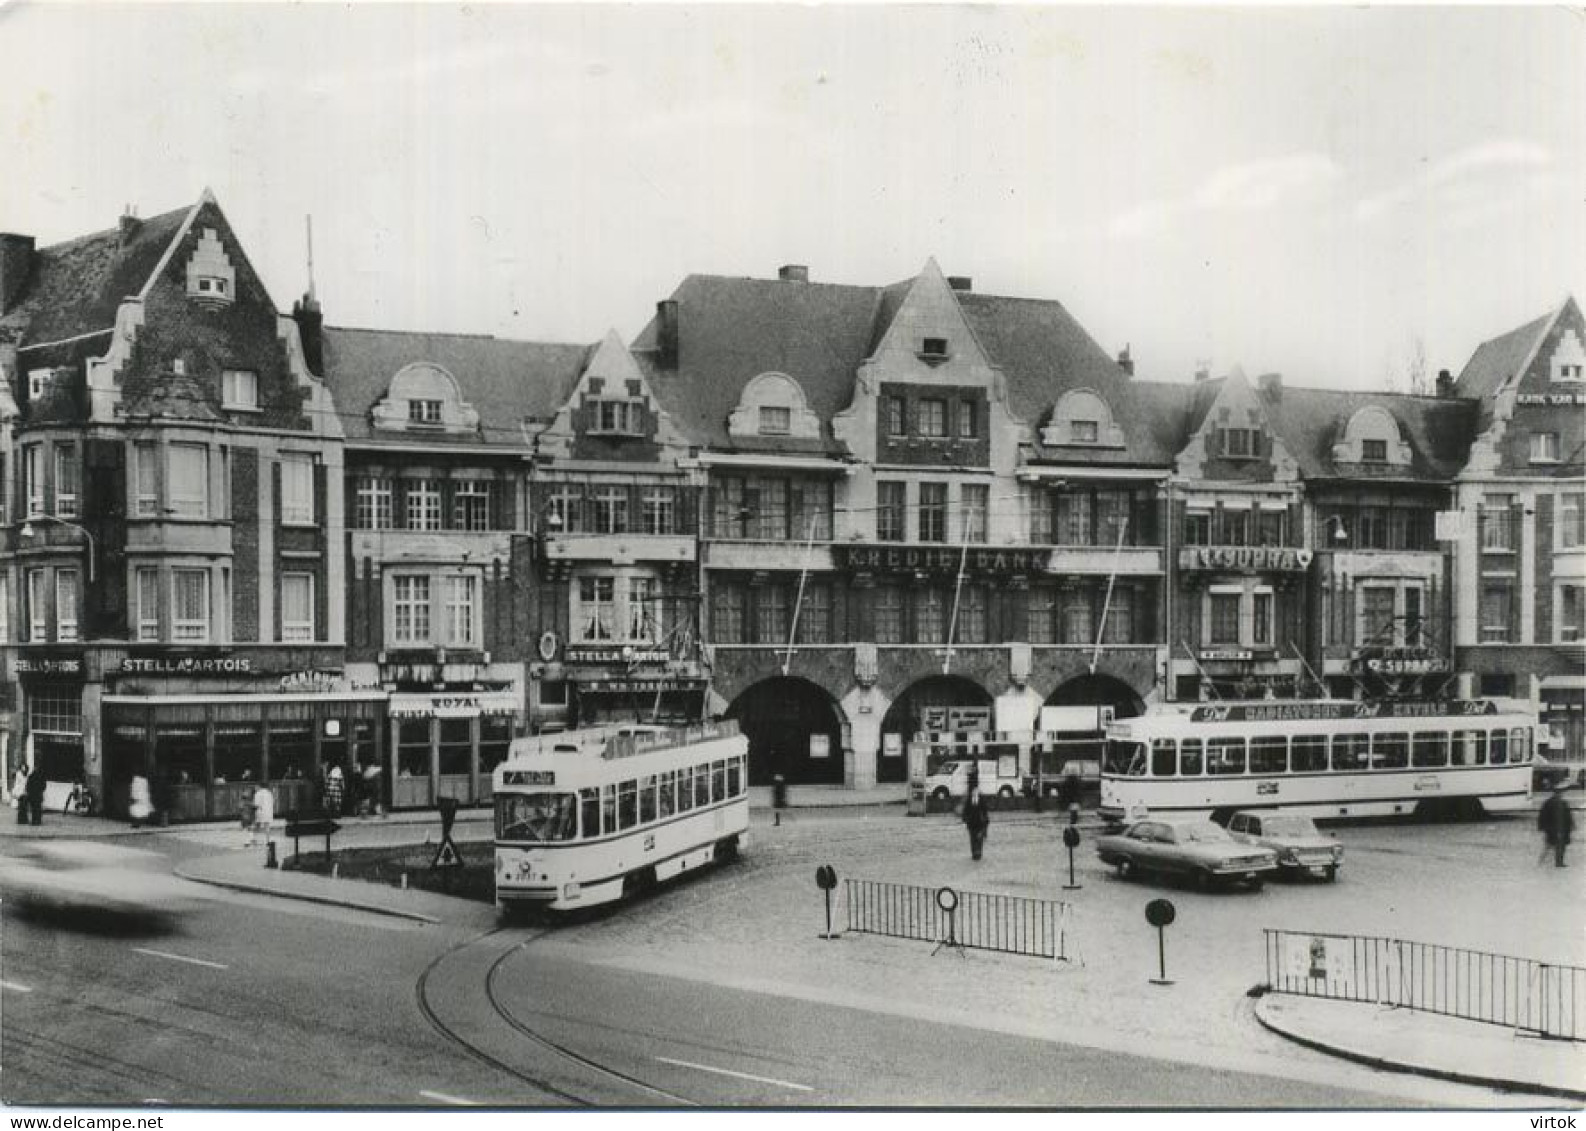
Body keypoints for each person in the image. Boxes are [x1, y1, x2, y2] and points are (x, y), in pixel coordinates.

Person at [1538, 786, 1574, 868]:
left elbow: (1542, 816)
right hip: (1558, 828)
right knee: (1557, 846)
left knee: (1551, 846)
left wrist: (1542, 827)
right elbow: (1568, 816)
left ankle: (1545, 862)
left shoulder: (1548, 803)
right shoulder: (1561, 803)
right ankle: (1558, 862)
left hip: (1554, 829)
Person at [963, 784, 990, 861]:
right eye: (973, 792)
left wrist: (986, 820)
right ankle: (974, 853)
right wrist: (965, 819)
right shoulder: (969, 800)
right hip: (971, 823)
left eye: (976, 791)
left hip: (980, 822)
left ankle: (979, 853)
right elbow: (966, 810)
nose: (974, 793)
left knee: (979, 838)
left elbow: (985, 811)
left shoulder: (982, 799)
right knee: (972, 838)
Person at [249, 782, 275, 848]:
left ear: (258, 786)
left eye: (255, 787)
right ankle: (267, 841)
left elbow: (256, 804)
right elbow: (273, 802)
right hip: (269, 812)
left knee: (254, 825)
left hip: (260, 811)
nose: (255, 788)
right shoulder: (269, 793)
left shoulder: (258, 793)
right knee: (267, 827)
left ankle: (252, 839)